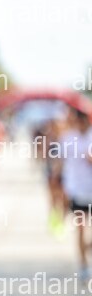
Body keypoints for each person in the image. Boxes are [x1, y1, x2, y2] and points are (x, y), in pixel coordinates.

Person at [58, 109, 92, 281]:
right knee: (80, 228)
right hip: (76, 190)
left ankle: (87, 248)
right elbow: (60, 162)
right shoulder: (67, 138)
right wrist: (61, 186)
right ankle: (83, 265)